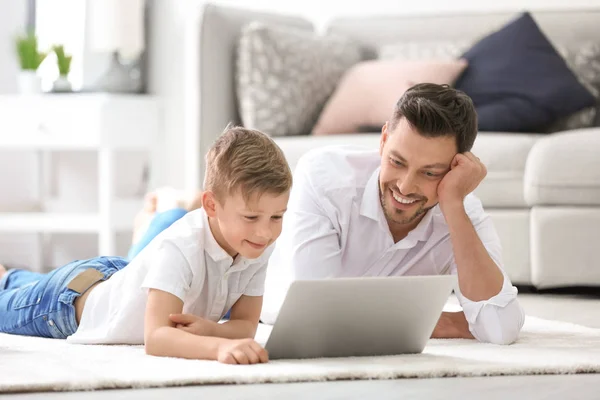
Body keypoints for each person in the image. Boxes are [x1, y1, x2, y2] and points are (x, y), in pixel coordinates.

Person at [0, 126, 292, 365]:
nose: (266, 232)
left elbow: (246, 325)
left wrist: (211, 329)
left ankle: (8, 276)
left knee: (17, 283)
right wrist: (216, 346)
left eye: (277, 216)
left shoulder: (256, 243)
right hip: (66, 304)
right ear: (211, 205)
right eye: (251, 217)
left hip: (116, 276)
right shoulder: (182, 246)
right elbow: (156, 338)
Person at [261, 83, 525, 345]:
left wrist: (454, 206)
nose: (405, 186)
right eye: (396, 162)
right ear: (384, 139)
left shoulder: (462, 212)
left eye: (430, 173)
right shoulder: (324, 179)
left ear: (456, 169)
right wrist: (448, 322)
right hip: (240, 305)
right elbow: (319, 313)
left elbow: (501, 328)